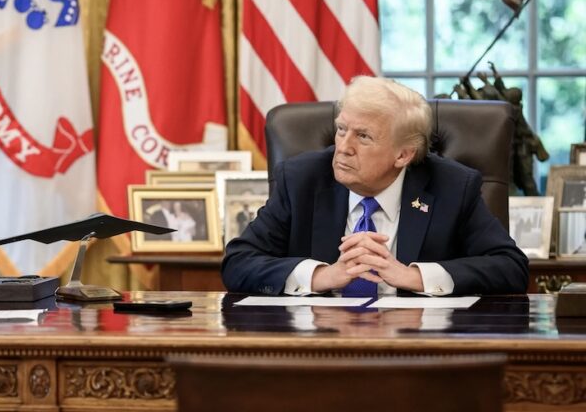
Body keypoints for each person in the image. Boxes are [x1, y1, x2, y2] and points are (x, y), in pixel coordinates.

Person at [222, 76, 528, 297]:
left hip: (418, 353)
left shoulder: (452, 186)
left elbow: (510, 268)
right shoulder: (302, 179)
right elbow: (238, 263)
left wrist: (413, 276)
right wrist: (323, 275)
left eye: (363, 137)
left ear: (403, 154)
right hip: (319, 351)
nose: (343, 147)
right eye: (341, 130)